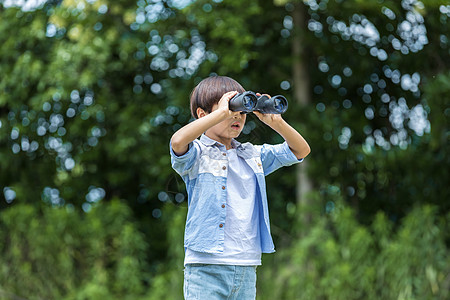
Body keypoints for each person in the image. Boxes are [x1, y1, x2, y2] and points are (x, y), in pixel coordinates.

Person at [169, 75, 310, 300]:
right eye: (231, 109)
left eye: (242, 110)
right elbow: (177, 142)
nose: (237, 115)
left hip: (246, 266)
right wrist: (222, 113)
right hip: (206, 266)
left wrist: (276, 122)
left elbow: (300, 150)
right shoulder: (198, 155)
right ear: (203, 115)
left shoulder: (252, 155)